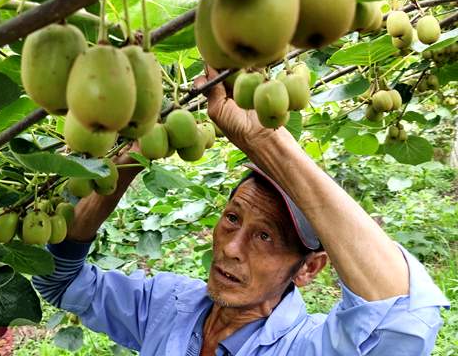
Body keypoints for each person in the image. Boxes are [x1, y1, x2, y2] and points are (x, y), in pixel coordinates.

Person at [33, 67, 449, 355]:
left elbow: (404, 317)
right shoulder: (168, 305)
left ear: (308, 269)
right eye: (232, 218)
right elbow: (61, 281)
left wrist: (266, 141)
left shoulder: (308, 348)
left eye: (265, 236)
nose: (231, 247)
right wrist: (131, 154)